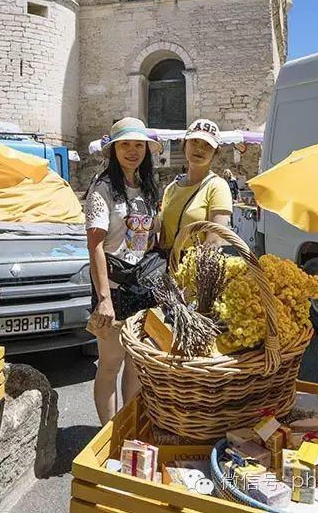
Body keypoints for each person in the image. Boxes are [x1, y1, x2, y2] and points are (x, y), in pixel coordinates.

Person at [84, 117, 161, 424]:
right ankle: (109, 434)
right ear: (114, 150)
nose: (132, 151)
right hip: (112, 290)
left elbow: (145, 236)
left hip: (141, 287)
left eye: (138, 145)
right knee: (109, 365)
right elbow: (95, 247)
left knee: (135, 363)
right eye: (125, 145)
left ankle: (128, 428)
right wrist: (104, 299)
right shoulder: (102, 189)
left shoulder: (145, 187)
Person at [159, 119, 233, 252]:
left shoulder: (217, 187)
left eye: (208, 145)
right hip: (166, 265)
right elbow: (163, 238)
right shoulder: (171, 189)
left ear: (215, 153)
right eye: (194, 141)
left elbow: (214, 240)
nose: (200, 149)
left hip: (193, 267)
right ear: (184, 144)